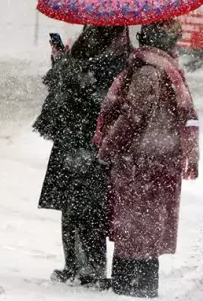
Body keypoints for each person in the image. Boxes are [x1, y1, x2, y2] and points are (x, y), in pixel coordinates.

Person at [92, 19, 200, 298]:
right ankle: (146, 288)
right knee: (148, 232)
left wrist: (108, 148)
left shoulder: (148, 72)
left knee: (132, 230)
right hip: (162, 160)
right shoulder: (169, 71)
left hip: (140, 163)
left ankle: (127, 287)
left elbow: (132, 117)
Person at [33, 25, 132, 288]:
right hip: (91, 144)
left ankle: (76, 265)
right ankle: (91, 268)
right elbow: (105, 103)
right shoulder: (117, 62)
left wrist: (62, 62)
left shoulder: (82, 57)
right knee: (90, 208)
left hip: (72, 142)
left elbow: (62, 91)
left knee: (73, 206)